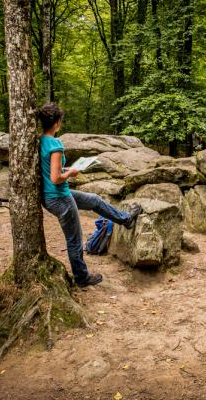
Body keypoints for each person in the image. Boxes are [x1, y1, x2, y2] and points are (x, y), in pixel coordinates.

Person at [38, 102, 142, 287]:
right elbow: (55, 178)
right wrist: (71, 173)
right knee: (74, 239)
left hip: (53, 196)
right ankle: (81, 277)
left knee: (94, 200)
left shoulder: (41, 141)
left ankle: (125, 219)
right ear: (56, 122)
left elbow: (50, 170)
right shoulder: (55, 144)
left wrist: (65, 168)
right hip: (59, 196)